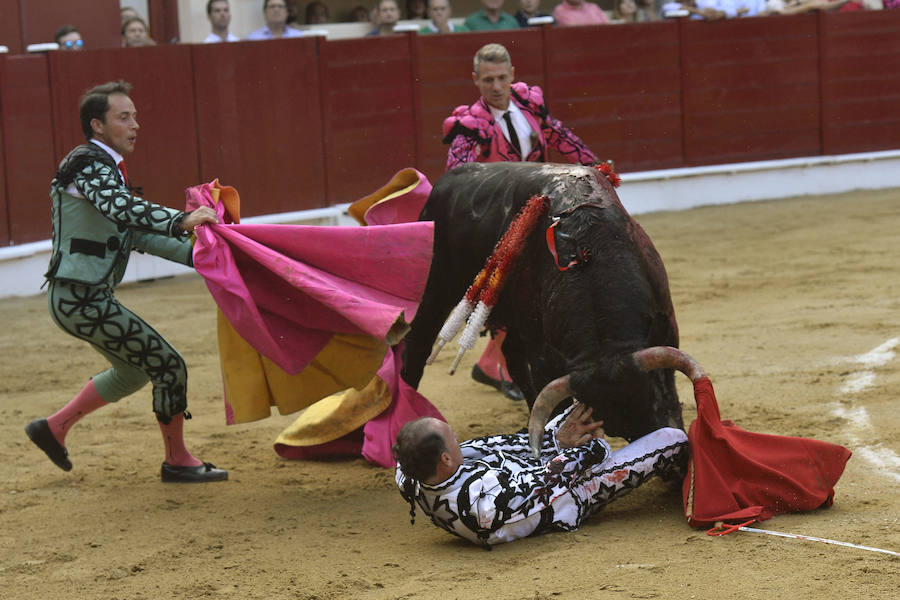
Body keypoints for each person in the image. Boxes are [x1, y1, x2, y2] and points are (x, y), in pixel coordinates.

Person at [25, 80, 227, 483]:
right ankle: (177, 460)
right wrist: (180, 219)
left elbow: (136, 233)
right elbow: (121, 207)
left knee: (134, 371)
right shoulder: (87, 164)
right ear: (97, 125)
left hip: (82, 296)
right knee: (168, 365)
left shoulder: (103, 169)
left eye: (134, 115)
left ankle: (54, 428)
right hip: (80, 298)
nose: (135, 124)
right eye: (124, 117)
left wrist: (203, 256)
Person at [442, 43, 598, 400]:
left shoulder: (529, 105)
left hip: (539, 209)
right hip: (496, 221)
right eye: (487, 80)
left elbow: (559, 136)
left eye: (501, 78)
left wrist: (592, 169)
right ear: (475, 81)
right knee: (507, 293)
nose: (496, 87)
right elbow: (458, 177)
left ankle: (493, 363)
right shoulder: (469, 125)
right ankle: (496, 365)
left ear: (512, 74)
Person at [394, 403, 688, 546]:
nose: (459, 438)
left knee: (586, 403)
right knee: (672, 438)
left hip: (535, 477)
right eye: (453, 438)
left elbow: (491, 446)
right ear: (445, 458)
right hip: (571, 495)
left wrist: (556, 441)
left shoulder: (410, 473)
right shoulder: (481, 506)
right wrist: (589, 449)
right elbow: (552, 480)